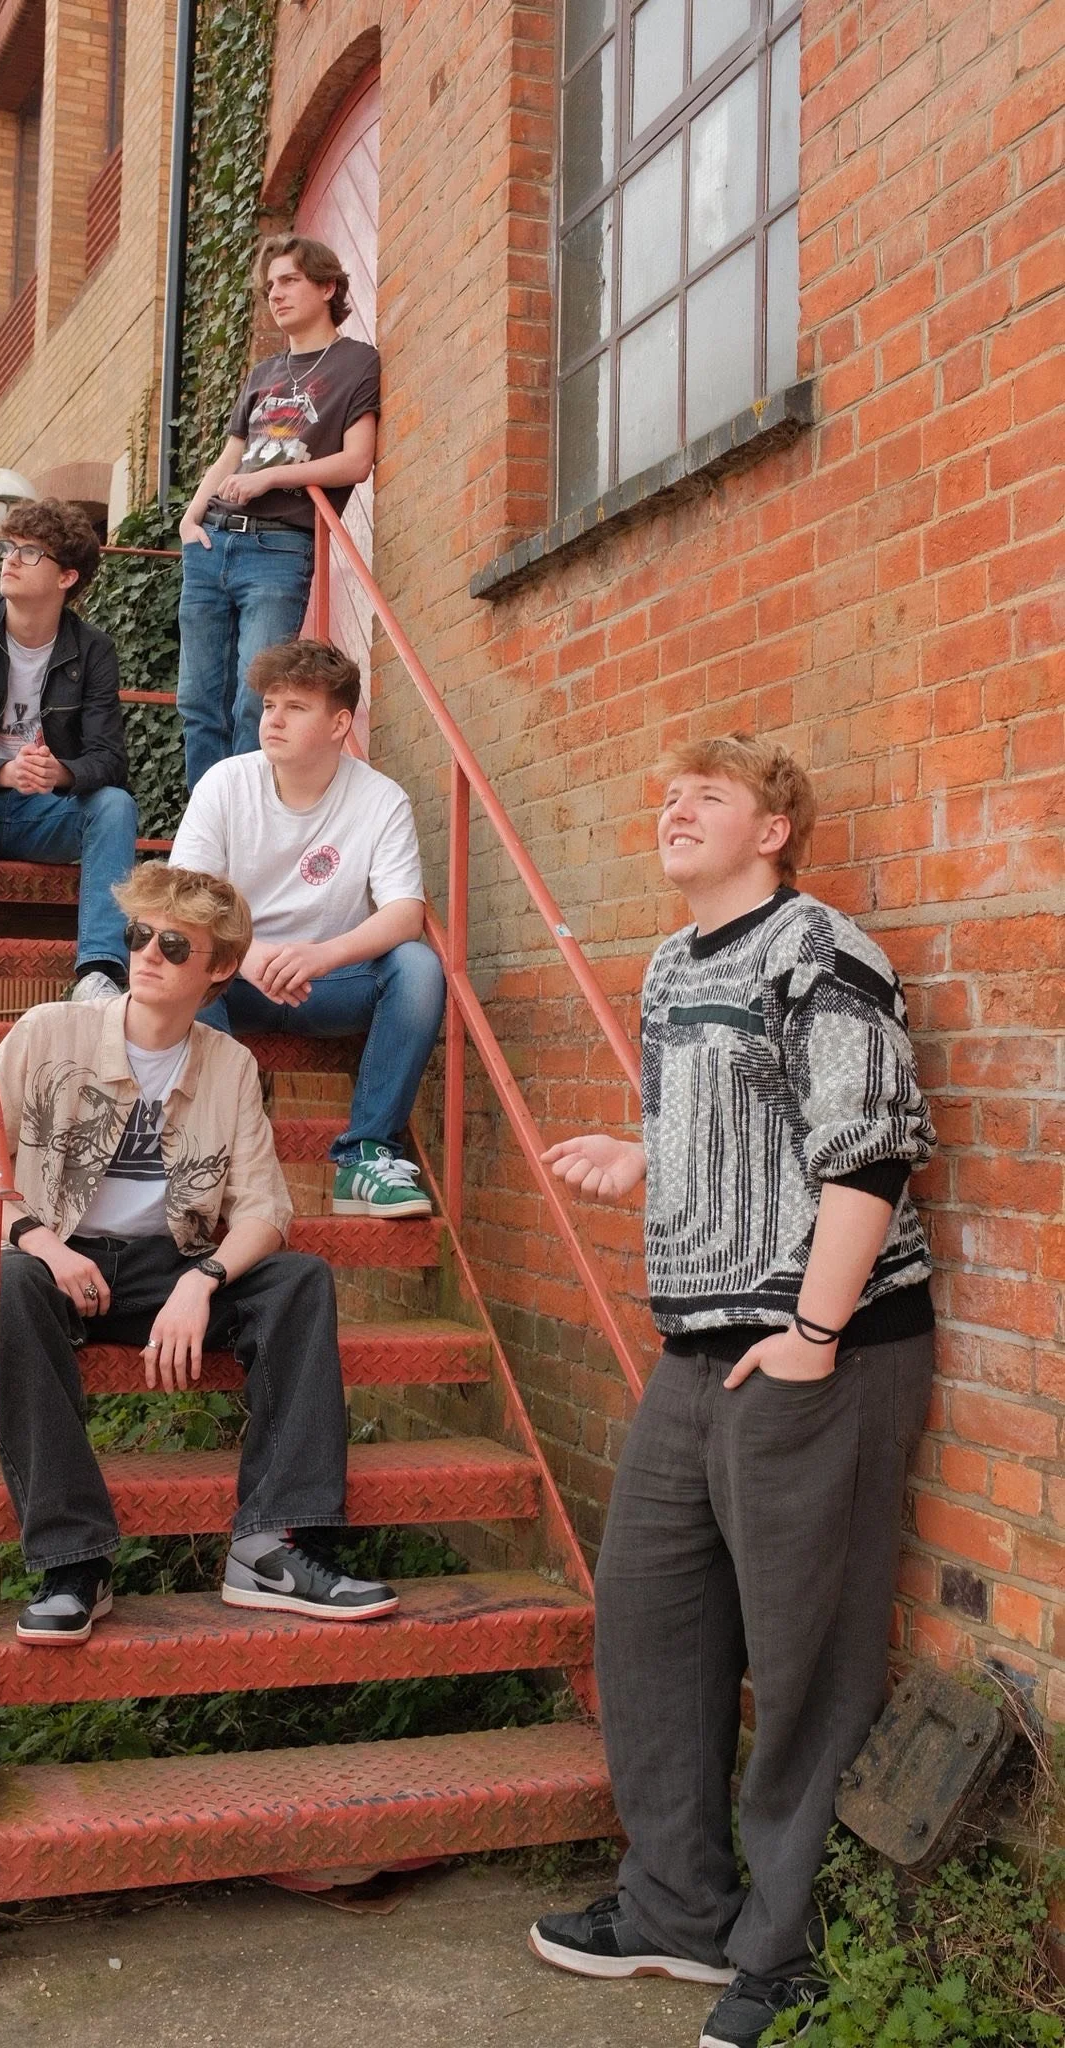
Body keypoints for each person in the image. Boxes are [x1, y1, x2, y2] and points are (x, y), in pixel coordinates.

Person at [528, 736, 937, 2048]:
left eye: (707, 794)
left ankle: (784, 1954)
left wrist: (815, 1331)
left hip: (825, 1350)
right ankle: (674, 1907)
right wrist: (641, 1157)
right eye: (666, 793)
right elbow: (743, 1124)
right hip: (695, 1352)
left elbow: (868, 1148)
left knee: (805, 1658)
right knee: (648, 1625)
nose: (674, 807)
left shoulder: (820, 948)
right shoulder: (666, 967)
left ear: (773, 830)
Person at [0, 864, 399, 1643]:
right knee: (11, 1283)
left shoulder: (231, 1066)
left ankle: (271, 1545)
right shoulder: (47, 1033)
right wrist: (46, 1244)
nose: (148, 954)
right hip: (55, 1254)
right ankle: (74, 1562)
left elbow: (265, 1211)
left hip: (167, 1264)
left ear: (219, 968)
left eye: (174, 944)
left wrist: (204, 1280)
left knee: (299, 1282)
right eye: (139, 936)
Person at [170, 638, 445, 1221]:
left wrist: (320, 957)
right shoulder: (225, 783)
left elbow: (404, 913)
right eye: (270, 705)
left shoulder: (380, 799)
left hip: (328, 984)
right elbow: (188, 897)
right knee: (183, 959)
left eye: (295, 707)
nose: (274, 720)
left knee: (418, 966)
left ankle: (367, 1156)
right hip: (234, 980)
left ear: (340, 722)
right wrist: (246, 955)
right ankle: (209, 1157)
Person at [176, 234, 380, 790]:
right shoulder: (264, 372)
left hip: (278, 549)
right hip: (213, 542)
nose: (277, 295)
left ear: (327, 286)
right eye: (270, 287)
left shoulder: (357, 363)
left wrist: (272, 478)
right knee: (197, 701)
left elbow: (357, 461)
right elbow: (232, 454)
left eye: (289, 281)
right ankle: (207, 834)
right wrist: (190, 520)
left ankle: (247, 824)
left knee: (254, 699)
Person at [0, 497, 138, 1018]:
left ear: (67, 577)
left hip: (45, 815)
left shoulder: (92, 651)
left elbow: (109, 759)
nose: (10, 560)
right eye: (8, 547)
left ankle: (98, 972)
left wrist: (62, 772)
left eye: (29, 552)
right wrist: (0, 771)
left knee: (114, 805)